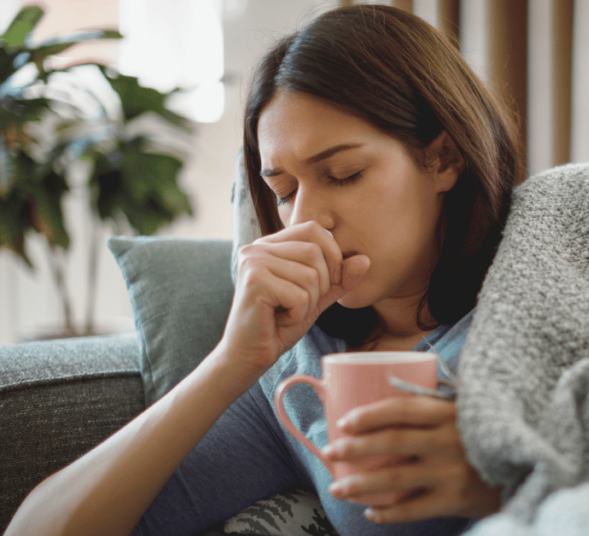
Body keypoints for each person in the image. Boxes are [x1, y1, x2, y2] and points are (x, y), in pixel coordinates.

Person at [7, 5, 523, 535]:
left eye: (344, 175)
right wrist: (233, 361)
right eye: (284, 192)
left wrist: (505, 483)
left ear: (445, 159)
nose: (305, 222)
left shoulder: (543, 303)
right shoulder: (299, 374)